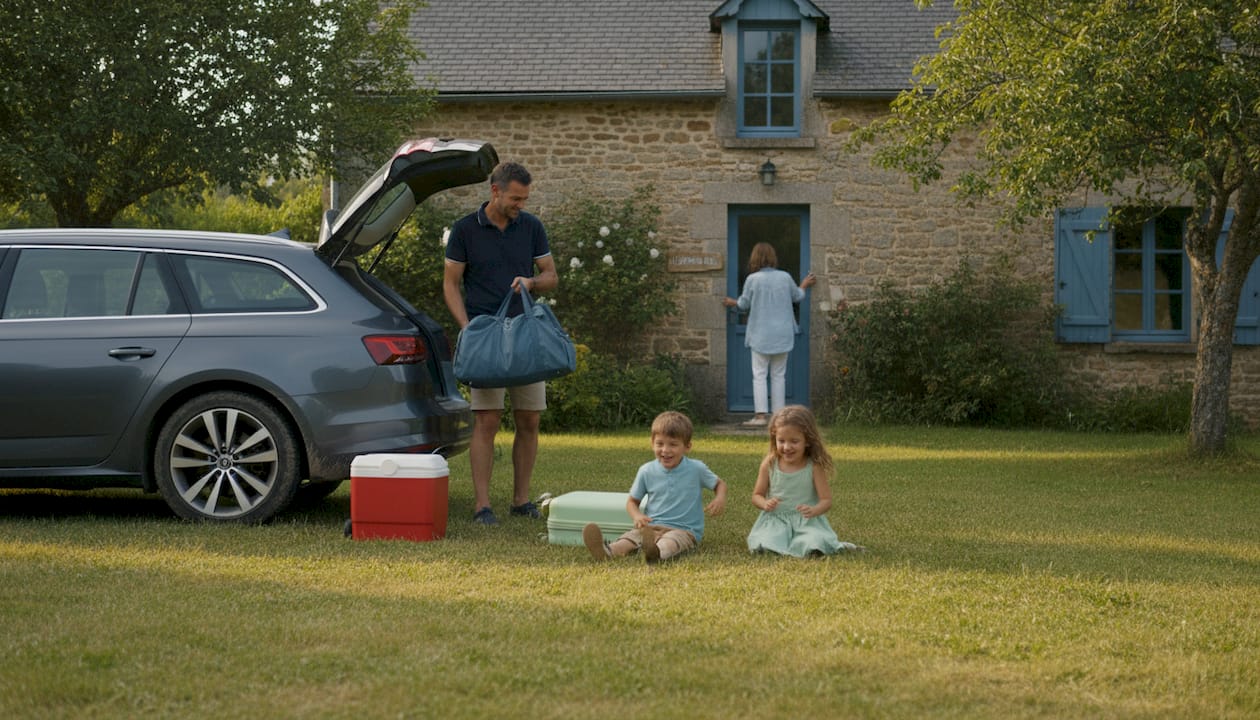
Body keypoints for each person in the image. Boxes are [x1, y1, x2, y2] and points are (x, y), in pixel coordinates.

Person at [444, 161, 558, 525]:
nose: (520, 204)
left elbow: (550, 275)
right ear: (495, 191)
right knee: (487, 421)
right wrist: (468, 328)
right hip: (486, 336)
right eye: (514, 198)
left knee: (529, 421)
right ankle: (482, 506)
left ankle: (521, 501)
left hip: (526, 335)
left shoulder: (531, 227)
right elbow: (451, 284)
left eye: (524, 198)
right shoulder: (464, 229)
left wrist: (531, 282)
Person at [582, 411, 727, 564]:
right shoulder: (646, 471)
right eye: (660, 444)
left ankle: (656, 553)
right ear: (652, 444)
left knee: (671, 541)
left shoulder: (697, 469)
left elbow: (720, 484)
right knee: (631, 537)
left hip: (684, 530)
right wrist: (637, 516)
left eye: (673, 444)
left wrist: (720, 497)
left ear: (687, 446)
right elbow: (632, 502)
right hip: (651, 528)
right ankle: (608, 551)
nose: (665, 450)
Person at [746, 406, 862, 557]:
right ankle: (776, 546)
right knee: (764, 541)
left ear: (807, 441)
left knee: (814, 540)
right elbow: (757, 495)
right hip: (776, 522)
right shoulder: (769, 464)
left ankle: (811, 547)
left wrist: (814, 510)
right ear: (774, 438)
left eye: (794, 441)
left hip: (807, 522)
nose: (787, 447)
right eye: (781, 441)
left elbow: (826, 500)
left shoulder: (813, 466)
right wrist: (764, 504)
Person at [722, 242, 815, 427]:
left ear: (754, 258)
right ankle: (779, 417)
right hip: (782, 334)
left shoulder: (752, 279)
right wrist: (804, 285)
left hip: (760, 334)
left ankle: (760, 417)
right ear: (773, 257)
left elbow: (744, 304)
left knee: (759, 374)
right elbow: (797, 296)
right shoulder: (785, 277)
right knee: (779, 375)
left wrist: (732, 302)